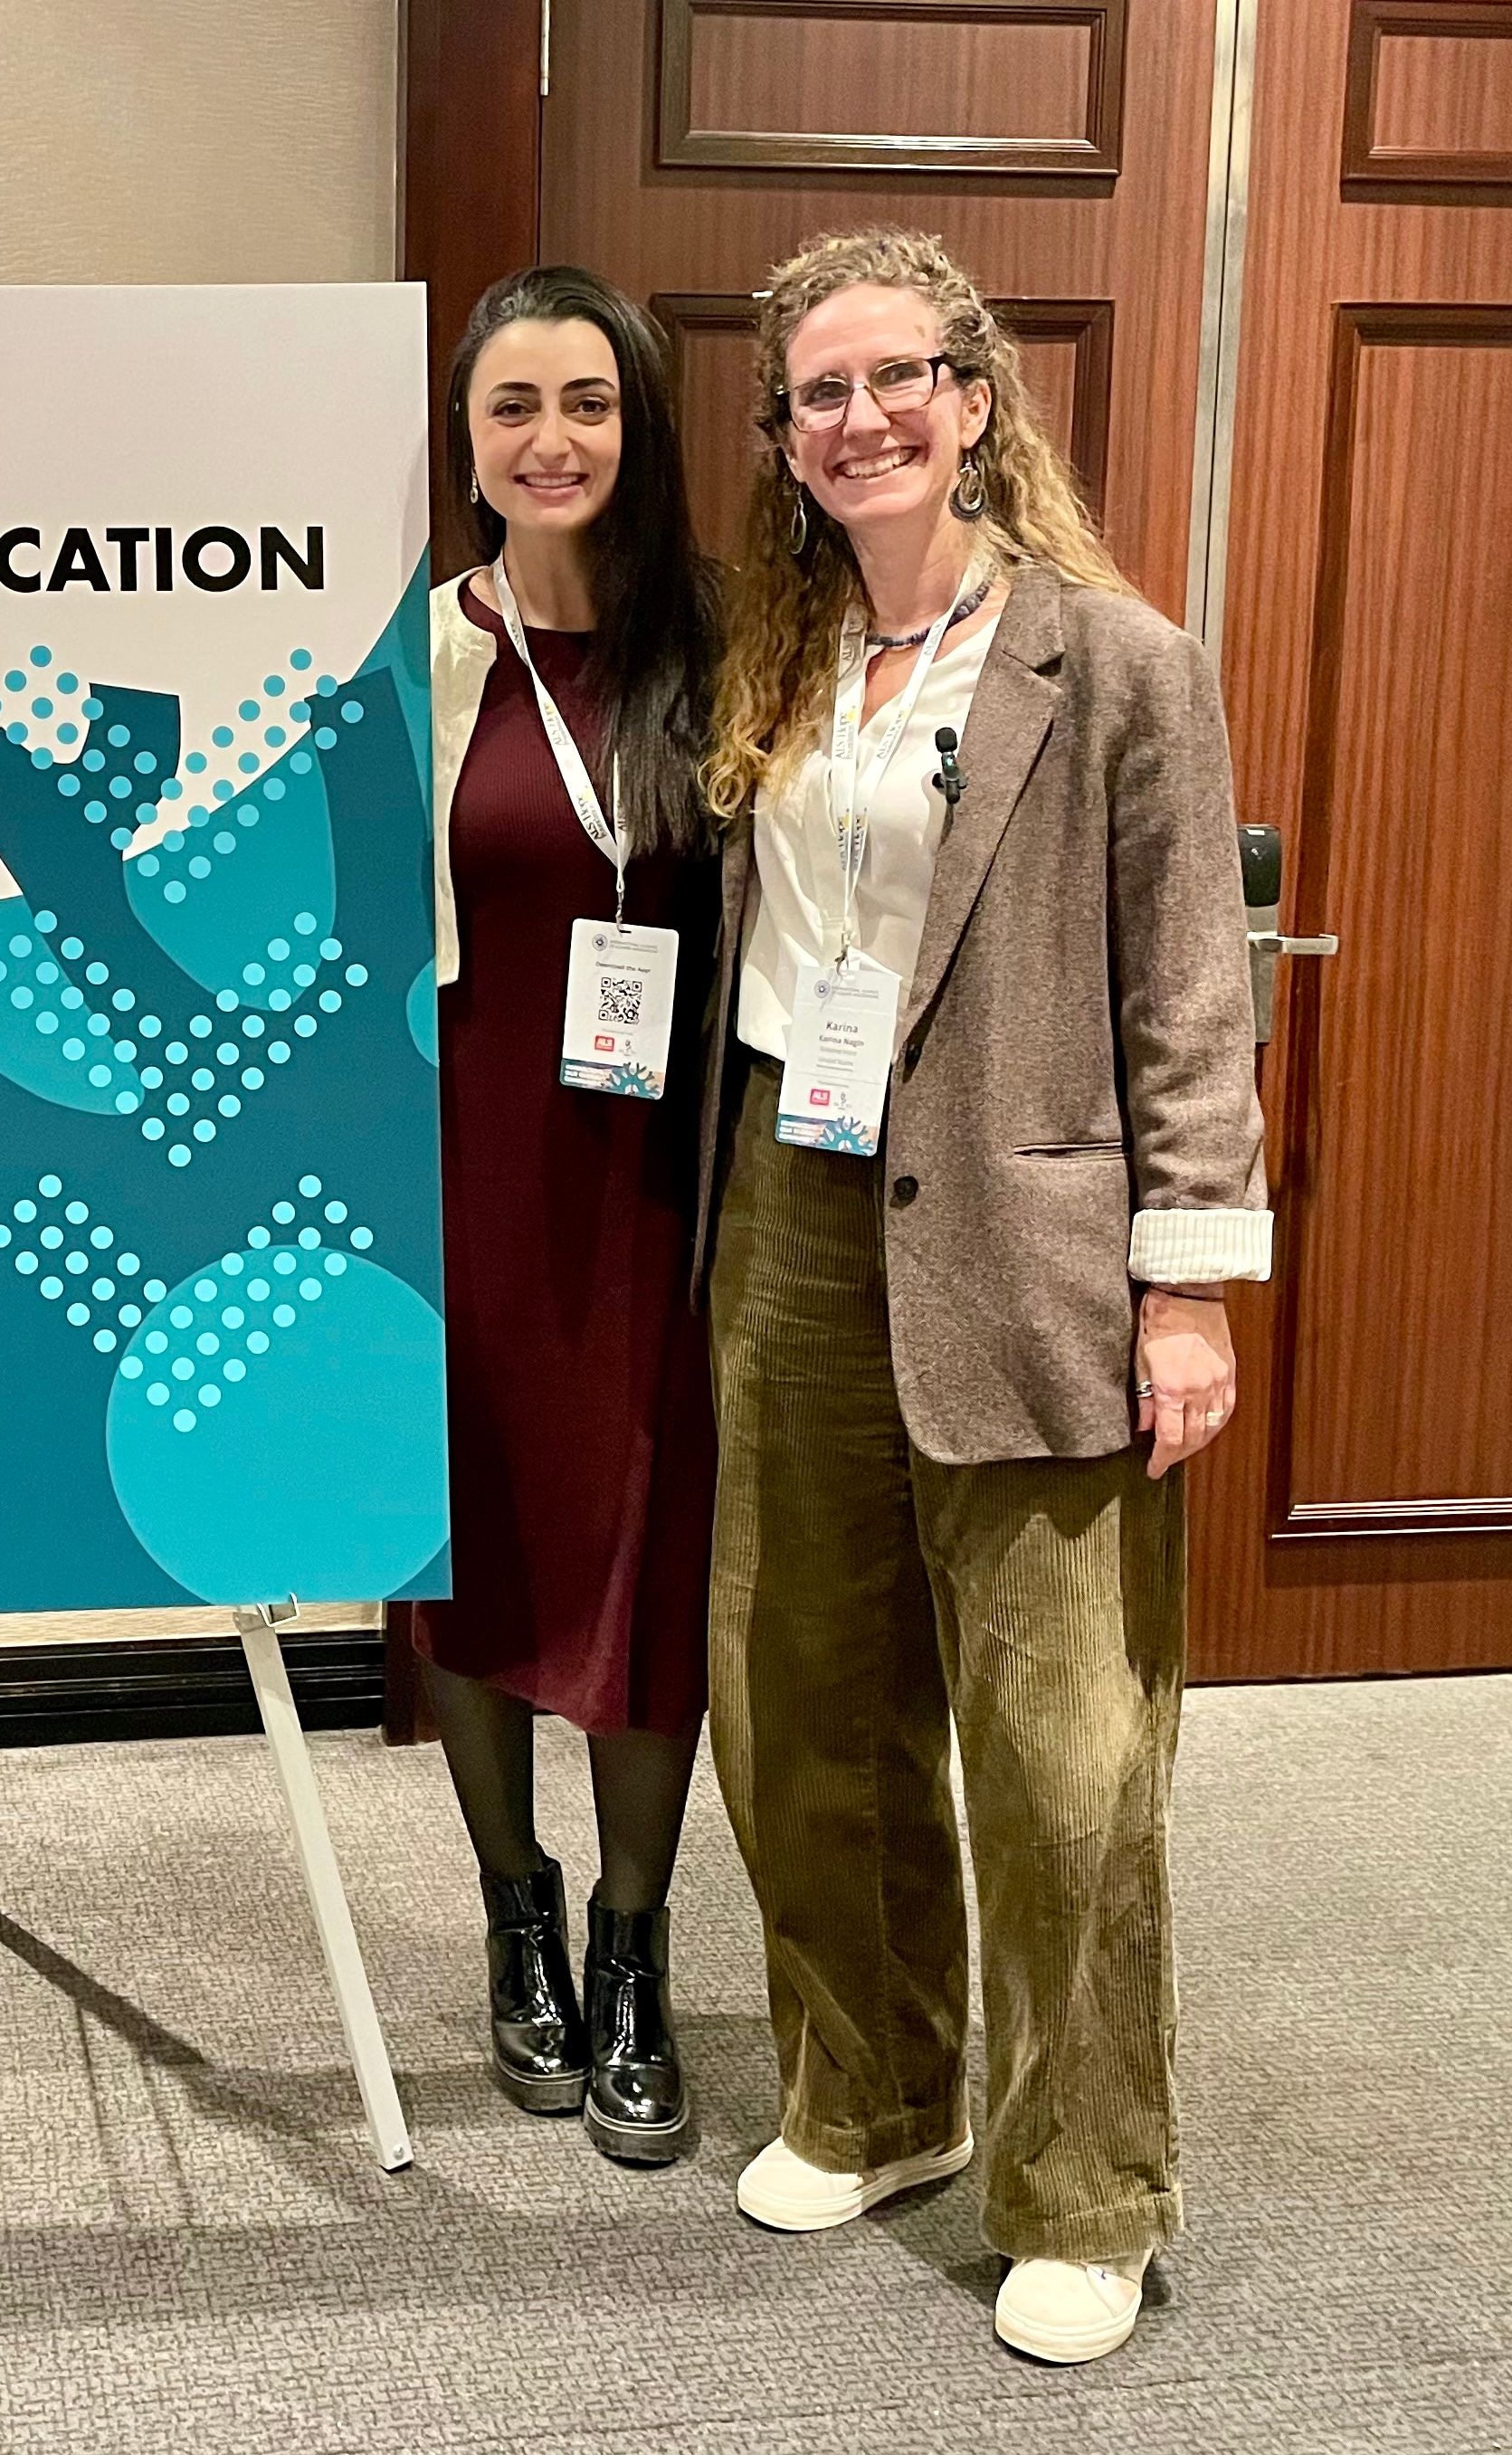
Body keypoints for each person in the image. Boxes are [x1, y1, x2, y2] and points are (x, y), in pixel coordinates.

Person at [694, 224, 1266, 2365]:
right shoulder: (779, 660)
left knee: (1060, 1744)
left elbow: (1188, 995)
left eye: (892, 377)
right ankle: (875, 2092)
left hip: (1026, 1241)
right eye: (814, 394)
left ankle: (1084, 2183)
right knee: (798, 1695)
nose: (857, 419)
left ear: (969, 396)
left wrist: (1184, 1286)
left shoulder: (1112, 663)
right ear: (780, 438)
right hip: (792, 1204)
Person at [414, 266, 721, 2165]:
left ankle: (631, 1940)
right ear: (464, 442)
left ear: (637, 423)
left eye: (587, 401)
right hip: (461, 1170)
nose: (553, 438)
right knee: (473, 1548)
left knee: (647, 1556)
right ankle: (513, 1910)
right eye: (513, 404)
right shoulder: (413, 654)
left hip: (662, 1188)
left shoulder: (725, 646)